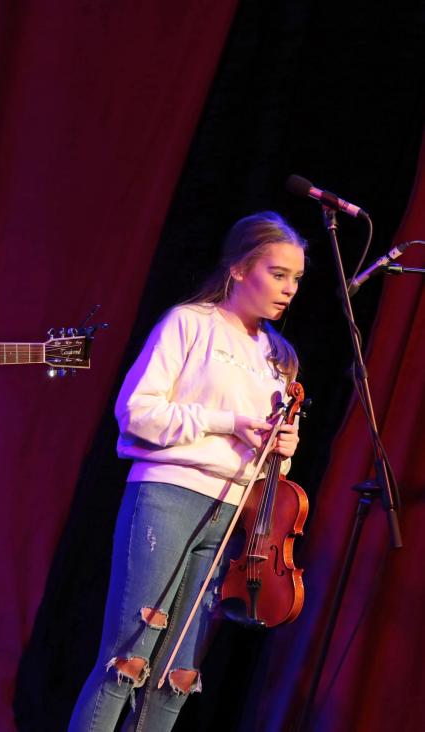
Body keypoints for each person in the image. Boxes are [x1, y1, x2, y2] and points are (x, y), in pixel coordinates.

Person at [69, 212, 305, 732]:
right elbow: (137, 412)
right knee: (126, 660)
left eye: (296, 279)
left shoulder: (280, 357)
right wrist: (229, 422)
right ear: (242, 269)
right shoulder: (191, 323)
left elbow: (270, 461)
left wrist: (283, 447)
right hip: (169, 497)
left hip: (231, 518)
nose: (288, 289)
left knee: (178, 674)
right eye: (278, 273)